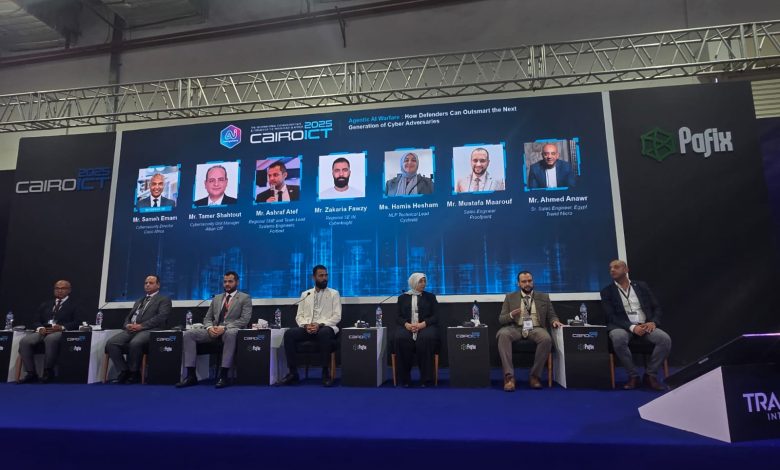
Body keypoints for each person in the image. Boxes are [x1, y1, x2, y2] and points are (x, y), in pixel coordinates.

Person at [600, 259, 671, 391]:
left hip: (645, 325)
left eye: (616, 267)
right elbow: (611, 316)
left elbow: (656, 307)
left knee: (664, 339)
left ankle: (650, 375)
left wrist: (653, 322)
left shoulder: (642, 286)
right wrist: (632, 327)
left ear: (626, 270)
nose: (612, 270)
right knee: (618, 337)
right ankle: (633, 376)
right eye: (610, 268)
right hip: (622, 327)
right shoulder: (607, 292)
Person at [176, 271, 252, 389]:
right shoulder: (217, 298)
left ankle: (223, 376)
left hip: (230, 329)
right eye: (225, 281)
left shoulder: (244, 298)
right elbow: (207, 318)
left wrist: (224, 327)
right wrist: (209, 327)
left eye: (230, 281)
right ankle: (191, 376)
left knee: (230, 334)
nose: (227, 284)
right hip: (214, 330)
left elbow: (244, 320)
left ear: (237, 282)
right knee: (189, 334)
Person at [497, 271, 562, 391]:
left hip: (535, 328)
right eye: (524, 281)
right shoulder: (510, 297)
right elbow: (501, 319)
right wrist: (511, 315)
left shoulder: (544, 297)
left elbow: (552, 315)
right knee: (503, 335)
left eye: (529, 281)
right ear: (518, 283)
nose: (527, 284)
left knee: (546, 339)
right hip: (516, 327)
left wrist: (555, 321)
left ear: (533, 281)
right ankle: (509, 377)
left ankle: (535, 376)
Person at [279, 265, 341, 387]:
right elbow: (299, 316)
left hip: (325, 327)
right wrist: (306, 325)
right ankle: (293, 373)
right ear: (314, 277)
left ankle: (325, 373)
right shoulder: (305, 294)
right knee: (289, 334)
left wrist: (319, 324)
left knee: (324, 333)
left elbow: (337, 316)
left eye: (326, 275)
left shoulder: (334, 294)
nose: (324, 278)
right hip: (308, 328)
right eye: (321, 275)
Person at [105, 275, 171, 384]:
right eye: (146, 283)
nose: (147, 285)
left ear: (158, 285)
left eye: (151, 283)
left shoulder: (164, 299)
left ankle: (134, 373)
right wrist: (127, 325)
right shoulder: (139, 300)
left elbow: (161, 317)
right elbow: (129, 316)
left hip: (150, 329)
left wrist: (141, 326)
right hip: (133, 329)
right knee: (111, 343)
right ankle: (124, 371)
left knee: (135, 343)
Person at [16, 280, 81, 384]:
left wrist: (62, 327)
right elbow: (35, 321)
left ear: (69, 290)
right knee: (25, 341)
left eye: (63, 288)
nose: (59, 291)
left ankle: (48, 372)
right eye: (57, 288)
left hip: (61, 332)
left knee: (50, 339)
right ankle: (31, 373)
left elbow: (77, 322)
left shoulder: (75, 305)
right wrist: (40, 328)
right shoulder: (45, 304)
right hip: (43, 330)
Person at [394, 273, 439, 387]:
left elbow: (436, 316)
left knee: (426, 338)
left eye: (424, 281)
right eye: (420, 281)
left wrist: (423, 324)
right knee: (401, 338)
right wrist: (406, 324)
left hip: (425, 326)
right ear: (413, 282)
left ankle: (426, 379)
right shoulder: (402, 298)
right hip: (408, 326)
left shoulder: (430, 297)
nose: (423, 284)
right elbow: (398, 317)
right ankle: (404, 379)